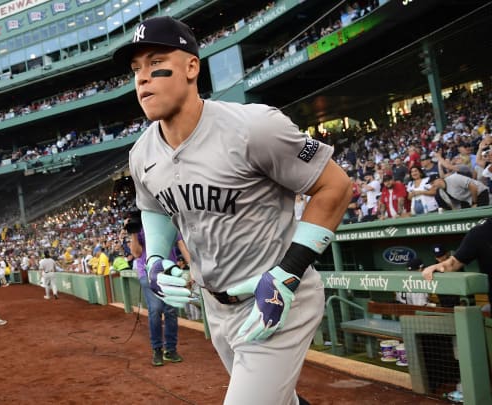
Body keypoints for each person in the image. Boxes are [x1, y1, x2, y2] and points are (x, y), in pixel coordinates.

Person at [114, 16, 351, 405]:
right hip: (217, 306)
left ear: (191, 67)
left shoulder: (253, 127)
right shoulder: (141, 153)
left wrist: (288, 273)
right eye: (135, 70)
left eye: (156, 64)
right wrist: (156, 257)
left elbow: (335, 186)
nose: (142, 78)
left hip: (276, 294)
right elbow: (153, 207)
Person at [126, 211, 191, 366]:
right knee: (155, 309)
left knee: (171, 310)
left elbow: (182, 246)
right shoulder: (141, 226)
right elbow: (136, 253)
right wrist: (133, 232)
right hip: (147, 273)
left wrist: (193, 267)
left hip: (169, 271)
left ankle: (171, 349)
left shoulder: (169, 223)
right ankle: (157, 349)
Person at [423, 219, 492, 314]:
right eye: (438, 257)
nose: (440, 258)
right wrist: (438, 266)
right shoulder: (480, 232)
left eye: (442, 255)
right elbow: (453, 263)